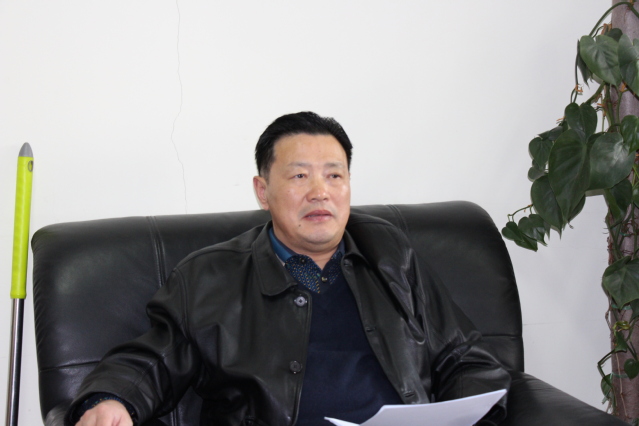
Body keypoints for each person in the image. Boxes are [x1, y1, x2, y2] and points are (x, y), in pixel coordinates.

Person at [69, 112, 510, 426]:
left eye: (334, 176)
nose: (320, 192)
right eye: (300, 176)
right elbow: (153, 359)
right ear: (263, 191)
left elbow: (465, 358)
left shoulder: (389, 253)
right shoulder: (209, 277)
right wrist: (111, 399)